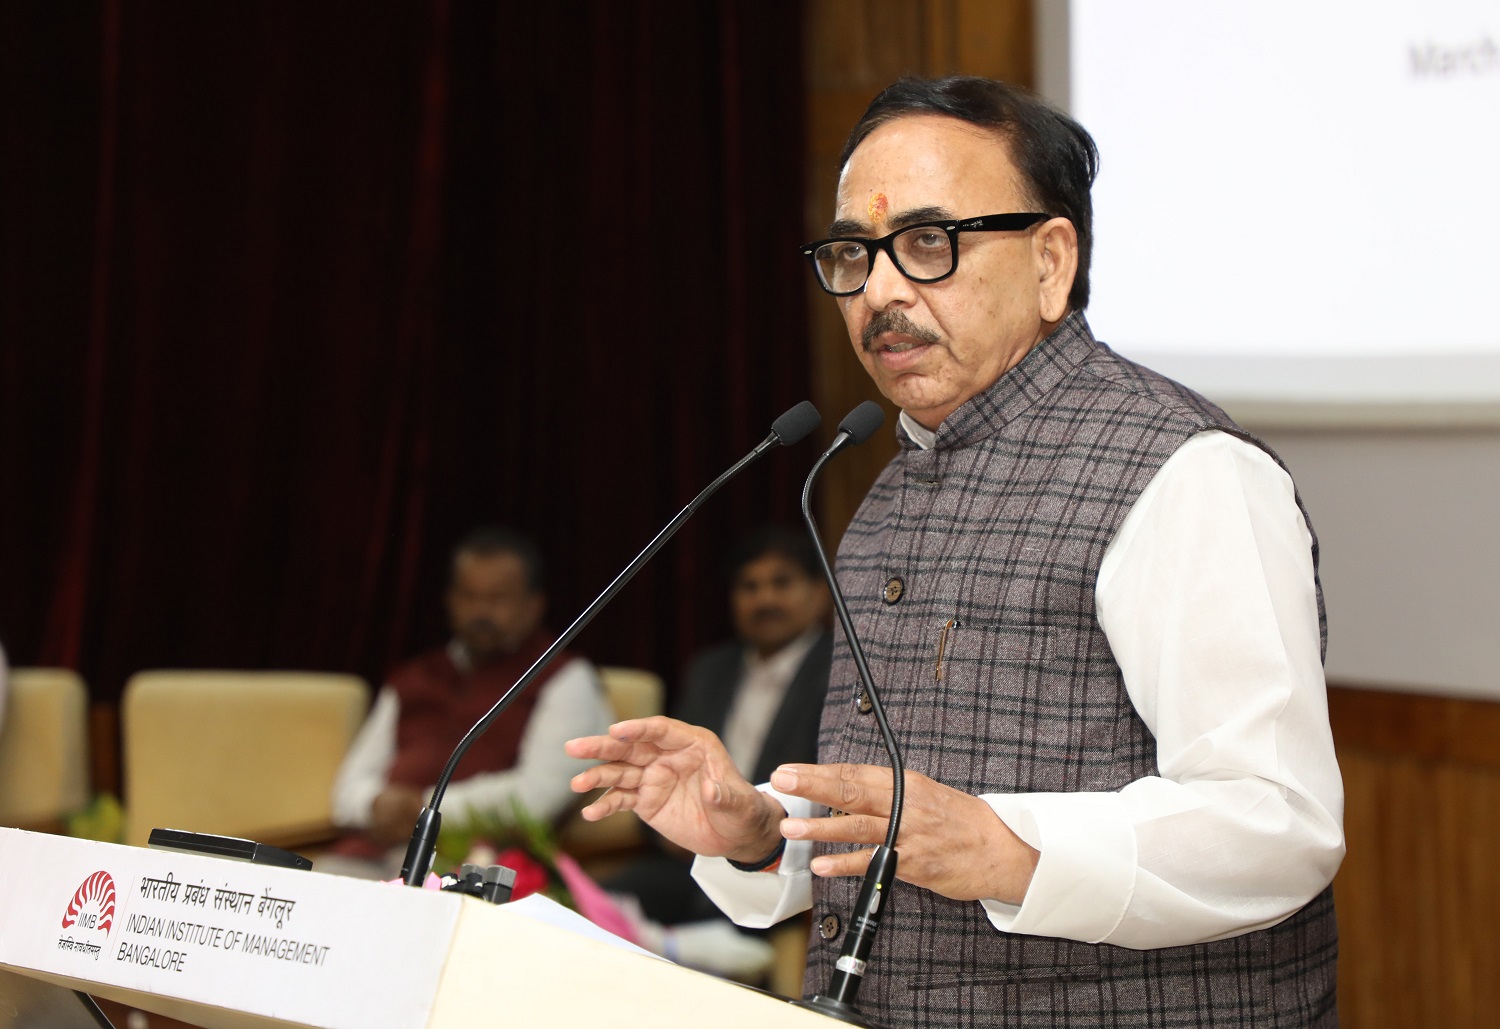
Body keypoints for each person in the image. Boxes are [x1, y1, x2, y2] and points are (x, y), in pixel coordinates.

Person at [567, 76, 1343, 1027]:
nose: (881, 292)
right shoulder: (886, 485)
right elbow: (900, 811)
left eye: (929, 244)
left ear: (1052, 262)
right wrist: (764, 834)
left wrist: (1005, 843)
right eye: (854, 254)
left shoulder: (1187, 473)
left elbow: (1277, 824)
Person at [328, 525, 612, 878]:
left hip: (474, 867)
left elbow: (536, 798)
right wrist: (376, 805)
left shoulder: (563, 678)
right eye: (468, 596)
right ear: (448, 600)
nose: (480, 612)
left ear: (534, 605)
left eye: (497, 599)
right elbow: (346, 792)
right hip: (364, 858)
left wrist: (424, 810)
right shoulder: (412, 677)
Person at [607, 526, 832, 926]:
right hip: (691, 854)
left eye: (782, 583)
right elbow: (666, 764)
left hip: (785, 863)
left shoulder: (842, 671)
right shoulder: (710, 670)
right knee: (606, 901)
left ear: (820, 593)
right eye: (750, 586)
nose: (765, 599)